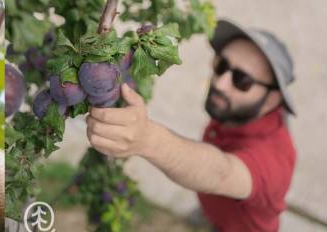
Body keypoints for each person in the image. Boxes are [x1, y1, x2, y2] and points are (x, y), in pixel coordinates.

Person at [84, 19, 297, 232]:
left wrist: (148, 139)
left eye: (242, 80)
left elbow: (221, 173)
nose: (220, 83)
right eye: (221, 65)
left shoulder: (275, 159)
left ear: (272, 100)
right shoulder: (237, 109)